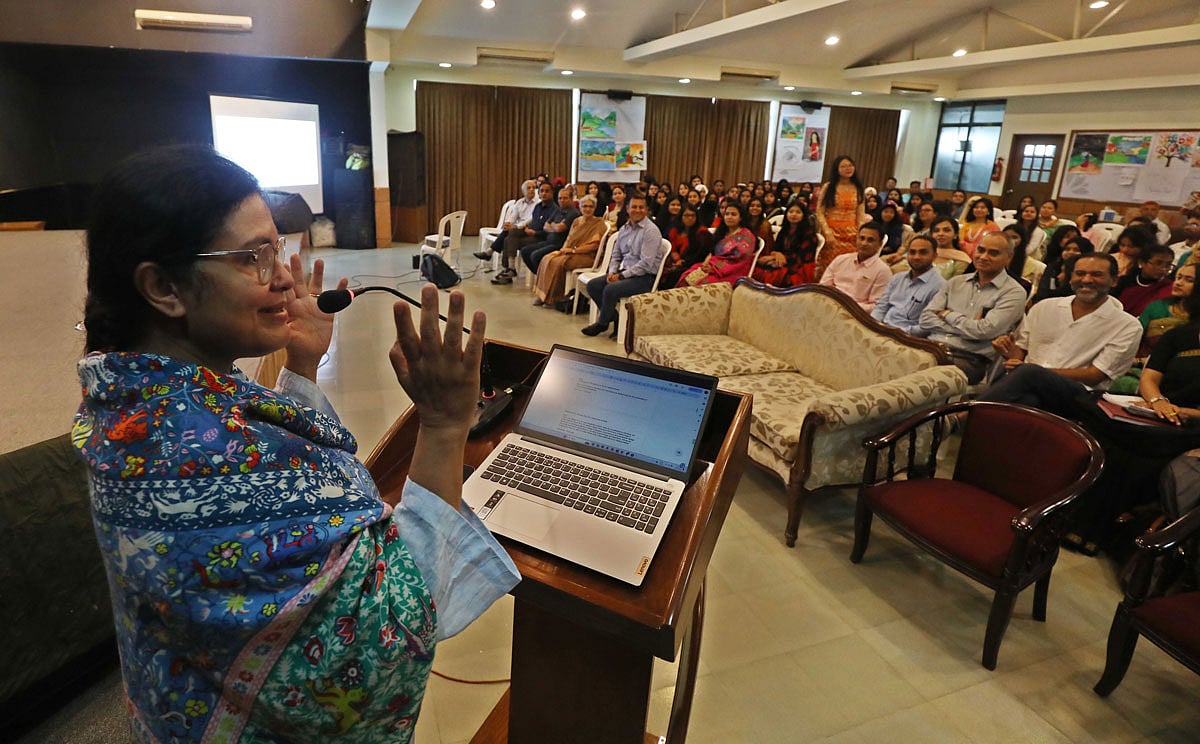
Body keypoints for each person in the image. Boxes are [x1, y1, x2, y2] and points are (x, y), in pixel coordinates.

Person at [73, 145, 519, 743]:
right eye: (254, 257)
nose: (283, 276)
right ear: (163, 287)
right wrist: (441, 425)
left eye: (277, 249)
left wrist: (302, 368)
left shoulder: (136, 398)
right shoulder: (192, 453)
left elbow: (266, 463)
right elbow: (375, 644)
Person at [982, 254, 1142, 417]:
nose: (1086, 280)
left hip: (1080, 395)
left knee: (1029, 376)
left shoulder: (1126, 325)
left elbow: (1095, 375)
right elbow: (1021, 350)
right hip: (1026, 383)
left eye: (1096, 275)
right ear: (1071, 277)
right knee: (1027, 402)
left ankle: (962, 415)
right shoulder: (1044, 307)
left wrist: (1037, 372)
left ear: (1114, 280)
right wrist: (1012, 357)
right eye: (1080, 274)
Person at [920, 231, 1028, 383]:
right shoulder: (955, 282)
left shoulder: (1013, 292)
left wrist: (947, 315)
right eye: (981, 250)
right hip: (931, 347)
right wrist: (968, 327)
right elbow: (925, 319)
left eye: (993, 253)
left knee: (918, 370)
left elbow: (983, 331)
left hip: (969, 358)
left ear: (1008, 257)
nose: (983, 257)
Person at [582, 194, 664, 338]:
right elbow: (616, 255)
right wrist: (612, 272)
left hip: (645, 277)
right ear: (627, 208)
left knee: (610, 289)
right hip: (624, 272)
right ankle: (615, 318)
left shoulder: (651, 231)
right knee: (593, 285)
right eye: (634, 207)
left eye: (641, 207)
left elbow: (645, 264)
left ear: (646, 210)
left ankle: (602, 323)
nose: (637, 210)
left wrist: (620, 276)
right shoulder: (625, 229)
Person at [532, 193, 607, 307]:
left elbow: (594, 245)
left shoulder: (599, 223)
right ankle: (542, 295)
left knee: (559, 263)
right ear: (580, 207)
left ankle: (554, 298)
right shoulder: (577, 221)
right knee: (547, 258)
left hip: (587, 256)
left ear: (594, 208)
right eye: (584, 206)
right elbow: (569, 238)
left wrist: (573, 251)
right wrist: (563, 249)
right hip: (570, 251)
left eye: (590, 207)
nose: (587, 209)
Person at [870, 234, 945, 336]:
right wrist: (873, 325)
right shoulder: (898, 278)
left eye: (923, 252)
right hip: (882, 329)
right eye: (912, 252)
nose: (916, 257)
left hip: (908, 338)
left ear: (934, 255)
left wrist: (899, 333)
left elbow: (929, 326)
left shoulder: (940, 286)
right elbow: (881, 307)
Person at [675, 203, 757, 288]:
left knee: (702, 283)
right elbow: (712, 251)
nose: (729, 217)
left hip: (732, 271)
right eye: (727, 214)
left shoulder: (746, 235)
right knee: (687, 276)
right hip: (713, 265)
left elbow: (739, 260)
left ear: (740, 218)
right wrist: (707, 262)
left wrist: (715, 268)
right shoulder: (722, 232)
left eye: (733, 214)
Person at [819, 222, 893, 311]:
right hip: (829, 307)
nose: (864, 243)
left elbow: (877, 306)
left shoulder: (883, 271)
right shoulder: (840, 260)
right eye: (861, 238)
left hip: (856, 316)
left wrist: (846, 306)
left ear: (880, 244)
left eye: (870, 240)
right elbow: (822, 288)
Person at [493, 181, 556, 283]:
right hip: (530, 233)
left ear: (552, 193)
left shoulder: (554, 209)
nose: (544, 193)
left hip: (540, 237)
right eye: (541, 191)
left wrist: (535, 233)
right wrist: (526, 229)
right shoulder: (538, 207)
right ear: (539, 193)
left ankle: (509, 270)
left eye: (547, 191)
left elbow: (550, 231)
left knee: (508, 240)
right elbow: (533, 222)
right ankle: (510, 269)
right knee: (511, 233)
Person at [814, 155, 866, 279]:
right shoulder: (829, 187)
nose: (848, 168)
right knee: (829, 266)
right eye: (843, 166)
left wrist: (861, 233)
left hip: (851, 233)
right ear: (836, 169)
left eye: (850, 165)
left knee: (849, 266)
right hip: (832, 232)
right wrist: (827, 232)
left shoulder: (858, 188)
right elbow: (819, 211)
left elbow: (860, 215)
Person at [516, 185, 581, 279]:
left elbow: (560, 229)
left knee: (535, 256)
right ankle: (540, 275)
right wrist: (555, 226)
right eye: (560, 198)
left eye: (565, 198)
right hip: (548, 241)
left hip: (560, 245)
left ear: (571, 199)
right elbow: (545, 226)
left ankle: (545, 278)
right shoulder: (558, 210)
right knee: (525, 251)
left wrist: (553, 225)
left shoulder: (573, 213)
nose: (562, 200)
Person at [752, 201, 819, 287]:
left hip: (798, 267)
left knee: (770, 275)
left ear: (803, 215)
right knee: (756, 268)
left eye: (798, 212)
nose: (794, 214)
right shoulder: (784, 230)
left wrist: (781, 257)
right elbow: (776, 248)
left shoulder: (809, 234)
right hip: (782, 261)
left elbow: (801, 258)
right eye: (791, 212)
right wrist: (775, 254)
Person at [474, 178, 537, 261]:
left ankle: (490, 252)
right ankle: (504, 265)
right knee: (508, 232)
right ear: (523, 191)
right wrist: (508, 223)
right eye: (529, 188)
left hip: (529, 228)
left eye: (533, 187)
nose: (532, 190)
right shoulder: (519, 202)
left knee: (510, 231)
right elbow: (513, 216)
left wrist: (516, 226)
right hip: (517, 229)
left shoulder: (538, 203)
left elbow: (531, 219)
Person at [1112, 243, 1175, 317]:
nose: (1163, 269)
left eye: (1168, 265)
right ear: (1141, 262)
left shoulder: (1168, 288)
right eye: (1158, 263)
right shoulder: (1124, 281)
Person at [661, 204, 714, 289]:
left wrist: (683, 262)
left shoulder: (702, 233)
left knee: (673, 276)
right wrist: (677, 260)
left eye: (692, 215)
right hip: (676, 260)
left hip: (693, 263)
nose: (690, 218)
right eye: (686, 215)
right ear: (681, 216)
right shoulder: (675, 231)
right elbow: (673, 249)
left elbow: (700, 254)